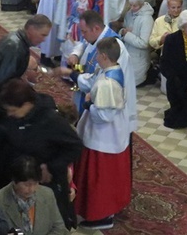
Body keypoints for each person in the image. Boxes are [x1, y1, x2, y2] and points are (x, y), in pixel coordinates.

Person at [0, 79, 83, 230]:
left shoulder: (51, 121)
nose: (10, 114)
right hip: (17, 179)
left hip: (45, 183)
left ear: (26, 105)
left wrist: (51, 166)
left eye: (13, 110)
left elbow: (75, 146)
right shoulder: (16, 118)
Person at [73, 37, 137, 230]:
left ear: (104, 56)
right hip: (107, 135)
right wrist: (78, 78)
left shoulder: (108, 83)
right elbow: (93, 81)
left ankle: (101, 215)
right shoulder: (111, 70)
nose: (96, 58)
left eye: (98, 55)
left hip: (103, 137)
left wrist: (88, 103)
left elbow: (104, 115)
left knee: (100, 179)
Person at [0, 156, 68, 235]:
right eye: (26, 185)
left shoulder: (47, 194)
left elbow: (59, 227)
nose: (32, 189)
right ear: (14, 181)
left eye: (35, 183)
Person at [0, 15, 51, 95]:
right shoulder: (14, 47)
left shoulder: (18, 40)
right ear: (31, 29)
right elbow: (2, 81)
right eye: (43, 35)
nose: (43, 40)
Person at [149, 0, 183, 94]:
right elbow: (151, 41)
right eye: (173, 7)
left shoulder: (185, 20)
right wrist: (161, 39)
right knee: (166, 90)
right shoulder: (159, 21)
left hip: (182, 58)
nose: (176, 10)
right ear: (168, 6)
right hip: (166, 58)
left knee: (180, 89)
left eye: (178, 7)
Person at [119, 0, 154, 86]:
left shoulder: (147, 19)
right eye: (130, 5)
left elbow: (144, 43)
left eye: (135, 6)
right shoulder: (128, 14)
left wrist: (127, 35)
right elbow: (124, 30)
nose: (132, 8)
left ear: (142, 4)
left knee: (130, 84)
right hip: (127, 52)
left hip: (139, 56)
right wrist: (122, 32)